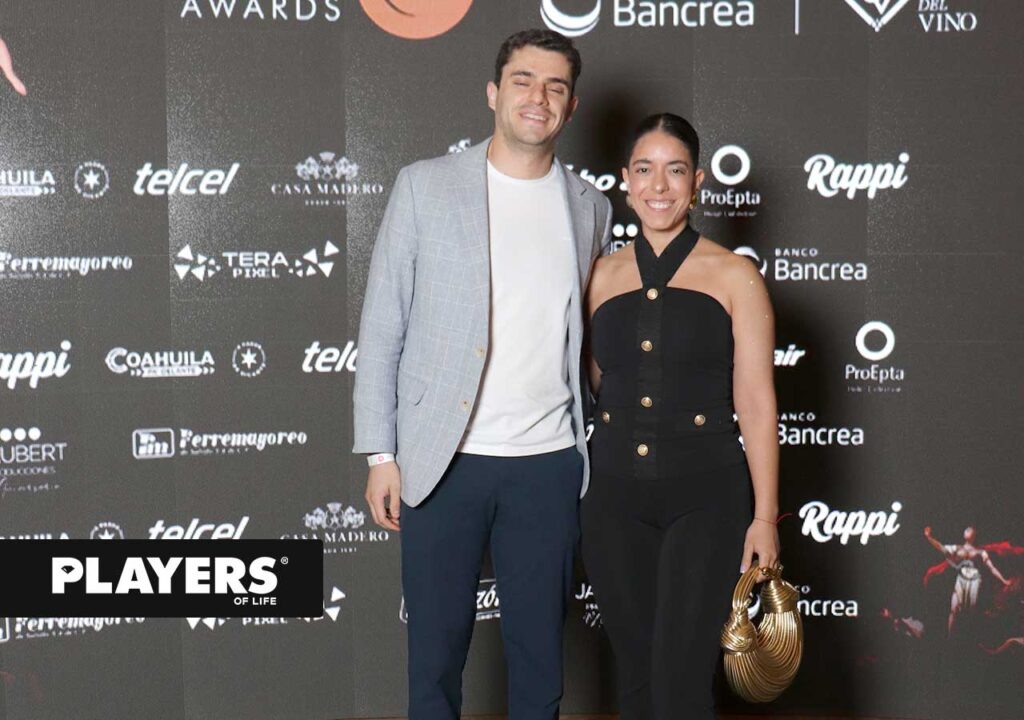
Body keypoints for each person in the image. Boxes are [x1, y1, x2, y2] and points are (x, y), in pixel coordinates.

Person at [352, 29, 612, 720]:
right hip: (443, 462)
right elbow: (382, 325)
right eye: (524, 80)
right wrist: (381, 454)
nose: (538, 97)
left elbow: (587, 336)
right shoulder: (424, 186)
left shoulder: (591, 206)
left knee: (539, 662)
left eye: (555, 87)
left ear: (572, 106)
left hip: (549, 464)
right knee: (434, 663)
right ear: (494, 93)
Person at [581, 113, 780, 720]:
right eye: (645, 170)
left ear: (697, 182)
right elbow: (596, 383)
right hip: (612, 500)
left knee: (681, 683)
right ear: (625, 180)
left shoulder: (735, 275)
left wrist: (764, 517)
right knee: (636, 679)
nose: (659, 186)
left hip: (707, 498)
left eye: (675, 171)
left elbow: (756, 402)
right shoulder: (599, 275)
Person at [924, 525, 1012, 636]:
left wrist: (1004, 581)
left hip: (974, 582)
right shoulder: (957, 548)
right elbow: (941, 548)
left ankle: (968, 637)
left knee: (970, 612)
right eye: (966, 529)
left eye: (970, 530)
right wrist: (929, 537)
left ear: (974, 535)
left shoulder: (980, 552)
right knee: (954, 609)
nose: (967, 530)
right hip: (961, 580)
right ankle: (949, 639)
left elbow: (992, 568)